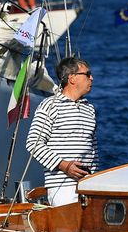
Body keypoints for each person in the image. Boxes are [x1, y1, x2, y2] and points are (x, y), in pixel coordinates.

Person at [26, 56, 98, 207]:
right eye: (87, 74)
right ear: (72, 78)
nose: (92, 78)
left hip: (89, 186)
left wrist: (95, 178)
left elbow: (93, 148)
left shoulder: (89, 109)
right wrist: (64, 165)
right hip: (62, 187)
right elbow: (33, 143)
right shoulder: (50, 106)